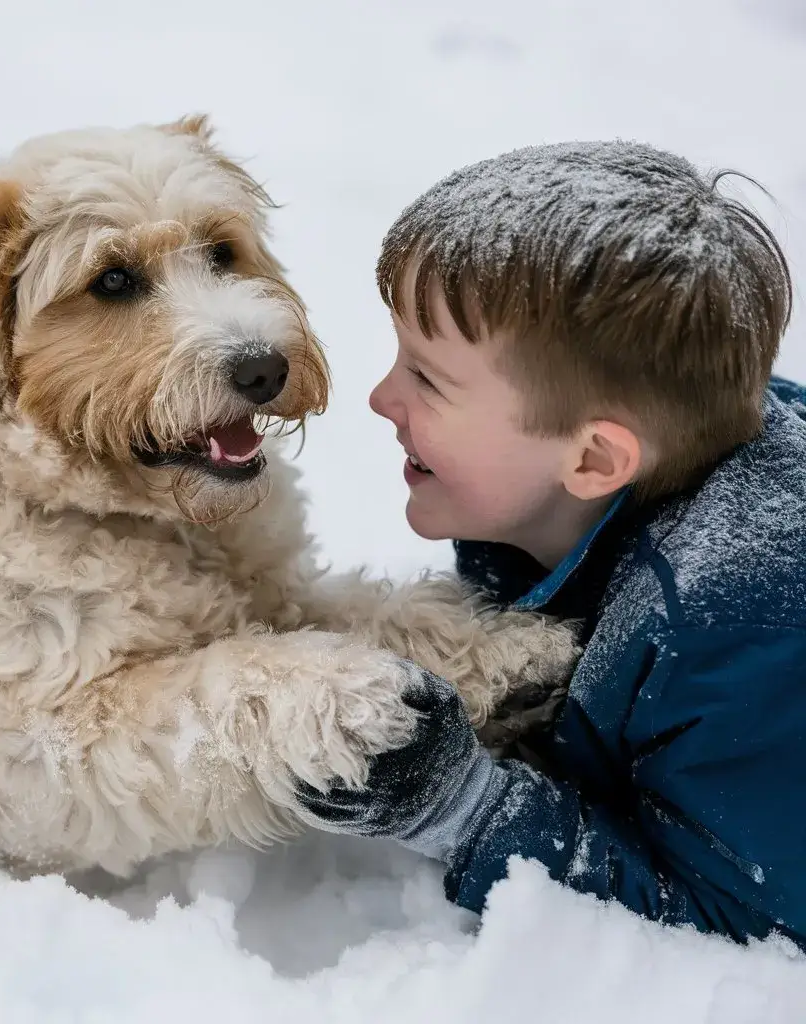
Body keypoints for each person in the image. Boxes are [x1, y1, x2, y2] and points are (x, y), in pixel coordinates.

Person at [295, 141, 806, 948]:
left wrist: (464, 809)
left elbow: (743, 923)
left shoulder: (729, 640)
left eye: (428, 379)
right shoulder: (605, 478)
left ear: (594, 460)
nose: (381, 397)